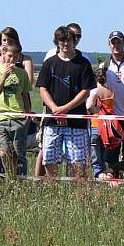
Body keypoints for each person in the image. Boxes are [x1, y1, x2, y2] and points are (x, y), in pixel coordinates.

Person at [36, 26, 96, 178]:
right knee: (49, 158)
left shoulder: (83, 64)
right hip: (52, 120)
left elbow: (85, 91)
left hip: (76, 121)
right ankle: (53, 190)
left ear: (74, 41)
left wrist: (66, 109)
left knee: (77, 161)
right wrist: (55, 108)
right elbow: (43, 89)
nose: (65, 44)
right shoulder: (49, 63)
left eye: (69, 40)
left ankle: (75, 192)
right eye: (62, 40)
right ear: (57, 42)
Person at [0, 46, 31, 176]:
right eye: (9, 56)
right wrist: (4, 77)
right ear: (3, 54)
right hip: (0, 117)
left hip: (18, 117)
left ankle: (20, 180)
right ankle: (10, 177)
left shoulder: (22, 73)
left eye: (15, 57)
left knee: (19, 154)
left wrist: (27, 113)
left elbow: (25, 95)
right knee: (3, 152)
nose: (12, 59)